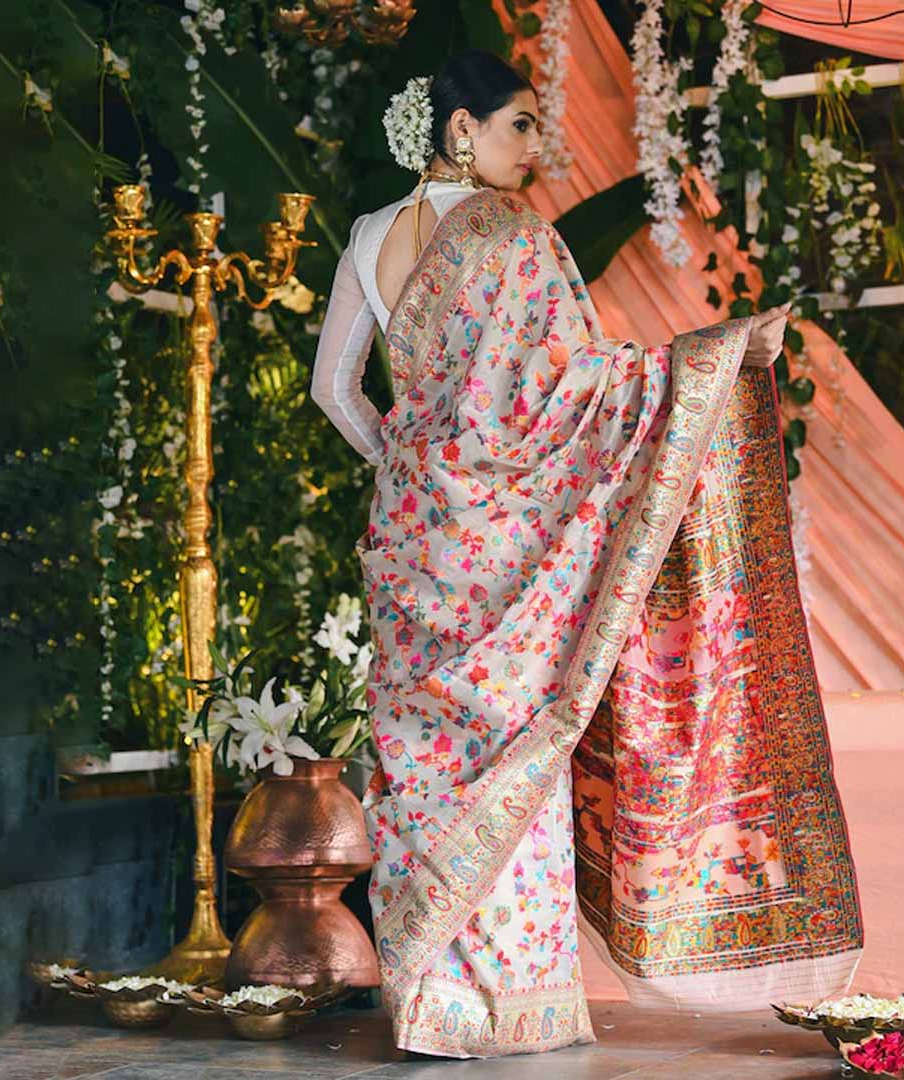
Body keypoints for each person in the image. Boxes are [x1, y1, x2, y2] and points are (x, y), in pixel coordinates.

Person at [310, 49, 863, 1060]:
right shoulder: (517, 236)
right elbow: (574, 387)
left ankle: (429, 1007)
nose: (538, 146)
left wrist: (408, 464)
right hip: (502, 551)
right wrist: (716, 356)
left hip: (413, 540)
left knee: (427, 763)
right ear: (462, 128)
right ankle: (514, 1008)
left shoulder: (367, 237)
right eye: (521, 123)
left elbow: (334, 392)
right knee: (517, 746)